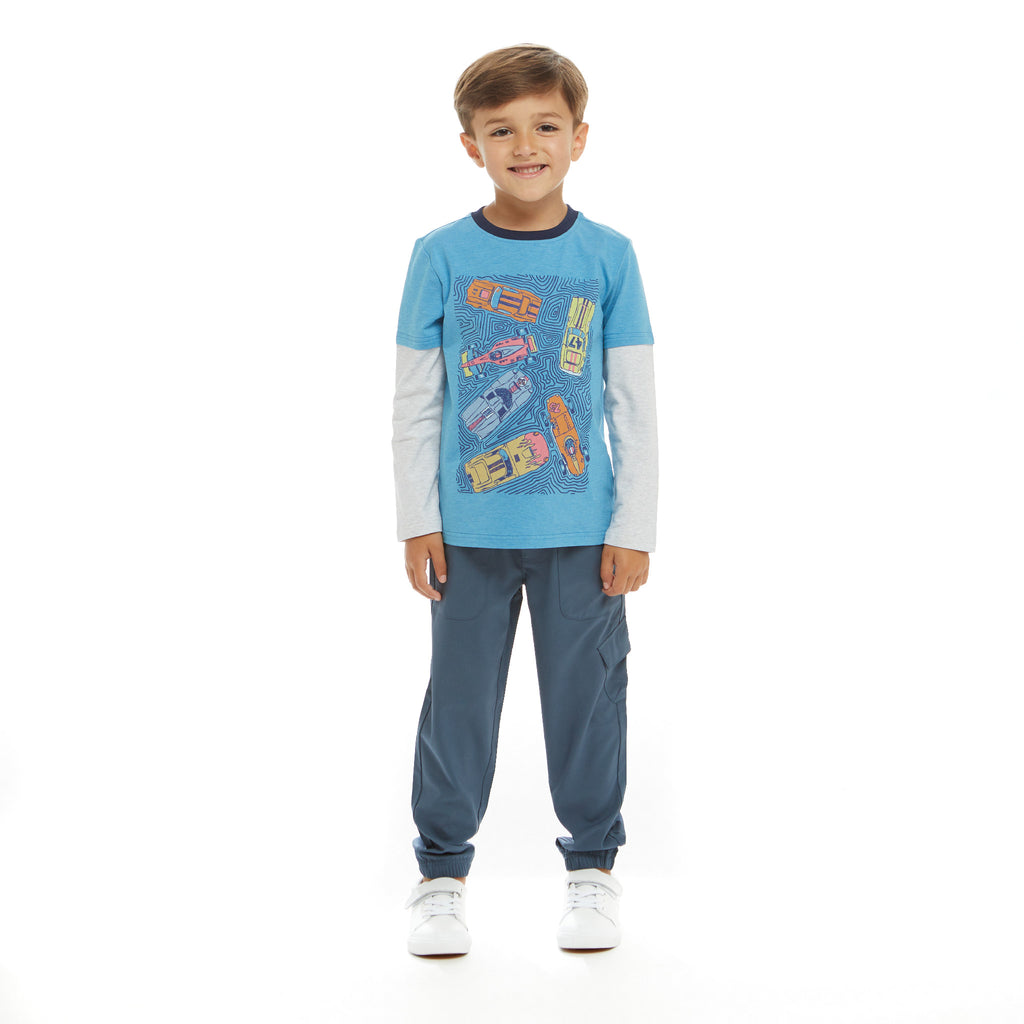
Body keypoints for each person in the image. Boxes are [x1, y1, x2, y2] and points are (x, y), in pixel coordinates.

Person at [392, 43, 658, 956]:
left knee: (587, 700)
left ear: (579, 137)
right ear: (471, 145)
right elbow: (417, 399)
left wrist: (633, 526)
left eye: (546, 126)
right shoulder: (439, 256)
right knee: (459, 703)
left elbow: (632, 404)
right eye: (501, 131)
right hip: (466, 535)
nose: (526, 146)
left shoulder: (609, 257)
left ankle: (592, 871)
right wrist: (417, 519)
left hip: (583, 534)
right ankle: (440, 878)